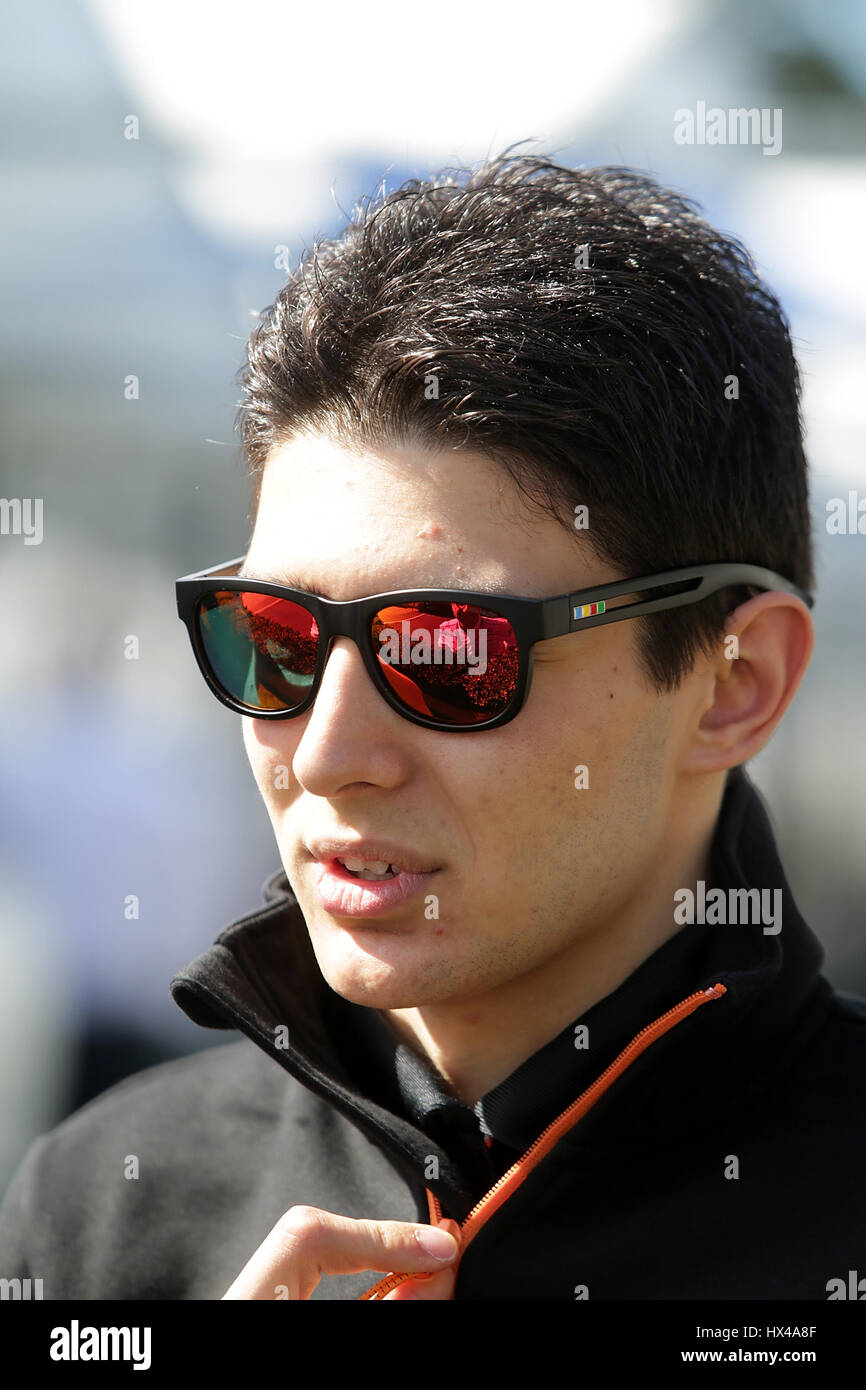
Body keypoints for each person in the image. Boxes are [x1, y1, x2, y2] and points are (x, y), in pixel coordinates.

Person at [2, 150, 864, 1302]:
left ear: (732, 680)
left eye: (446, 650)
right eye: (275, 637)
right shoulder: (101, 1205)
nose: (323, 754)